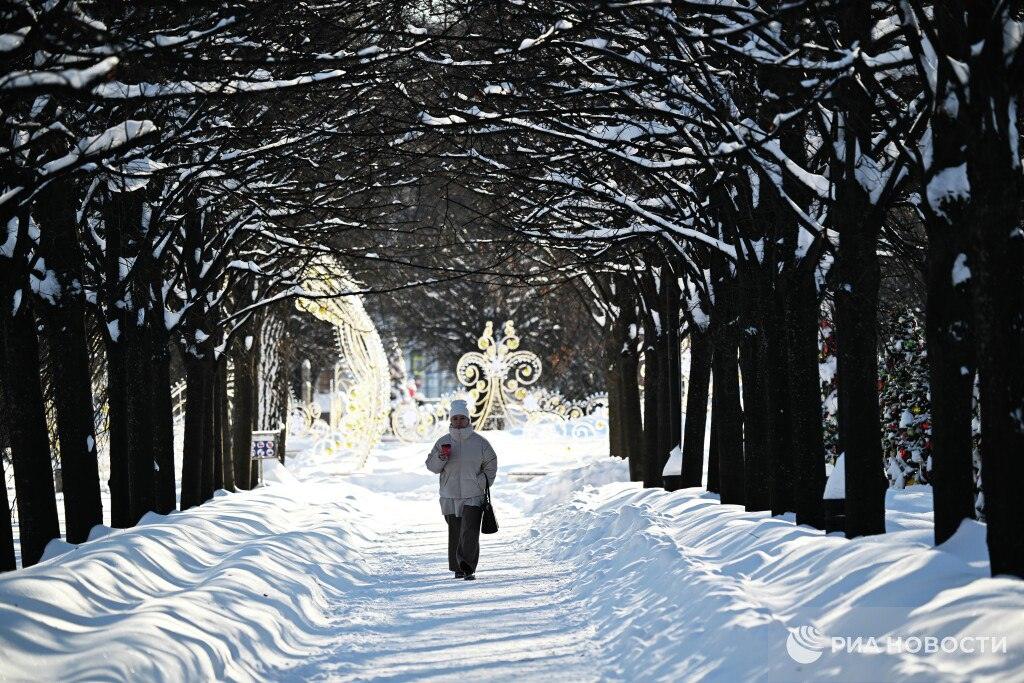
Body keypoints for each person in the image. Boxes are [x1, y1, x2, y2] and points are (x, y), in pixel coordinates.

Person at [424, 399, 497, 580]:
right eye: (455, 418)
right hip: (450, 495)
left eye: (461, 418)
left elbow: (491, 465)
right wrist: (441, 457)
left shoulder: (481, 443)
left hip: (474, 495)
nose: (458, 421)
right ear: (450, 420)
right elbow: (432, 467)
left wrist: (480, 482)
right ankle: (457, 567)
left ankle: (468, 567)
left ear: (468, 420)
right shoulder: (443, 442)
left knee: (469, 531)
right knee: (456, 531)